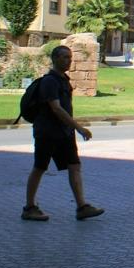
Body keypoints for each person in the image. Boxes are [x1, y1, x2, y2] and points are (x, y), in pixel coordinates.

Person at [22, 45, 104, 221]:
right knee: (39, 167)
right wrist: (79, 127)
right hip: (48, 132)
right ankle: (29, 207)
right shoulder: (50, 81)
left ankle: (82, 206)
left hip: (64, 133)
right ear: (55, 59)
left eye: (70, 57)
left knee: (74, 166)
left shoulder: (63, 80)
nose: (69, 60)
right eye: (65, 57)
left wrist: (71, 128)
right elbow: (56, 109)